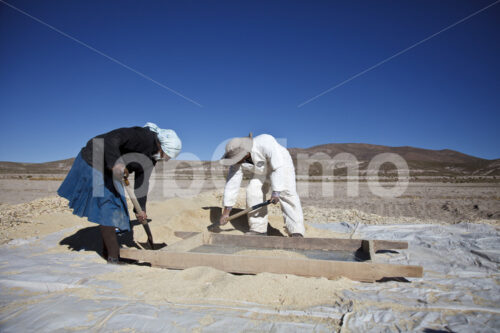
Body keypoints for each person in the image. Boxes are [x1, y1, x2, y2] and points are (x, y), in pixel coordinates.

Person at [57, 123, 181, 263]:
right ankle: (113, 257)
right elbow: (111, 139)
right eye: (166, 155)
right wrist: (116, 163)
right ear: (161, 145)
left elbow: (142, 183)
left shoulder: (151, 158)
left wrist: (140, 209)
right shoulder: (142, 136)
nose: (165, 159)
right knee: (109, 207)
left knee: (113, 206)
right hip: (96, 157)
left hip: (109, 169)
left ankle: (107, 250)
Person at [219, 134, 305, 237]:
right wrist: (226, 212)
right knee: (253, 191)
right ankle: (258, 229)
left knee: (286, 193)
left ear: (245, 154)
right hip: (260, 170)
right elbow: (232, 183)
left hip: (281, 163)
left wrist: (276, 192)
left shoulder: (265, 141)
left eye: (237, 159)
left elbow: (277, 167)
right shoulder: (237, 162)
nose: (236, 162)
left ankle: (296, 231)